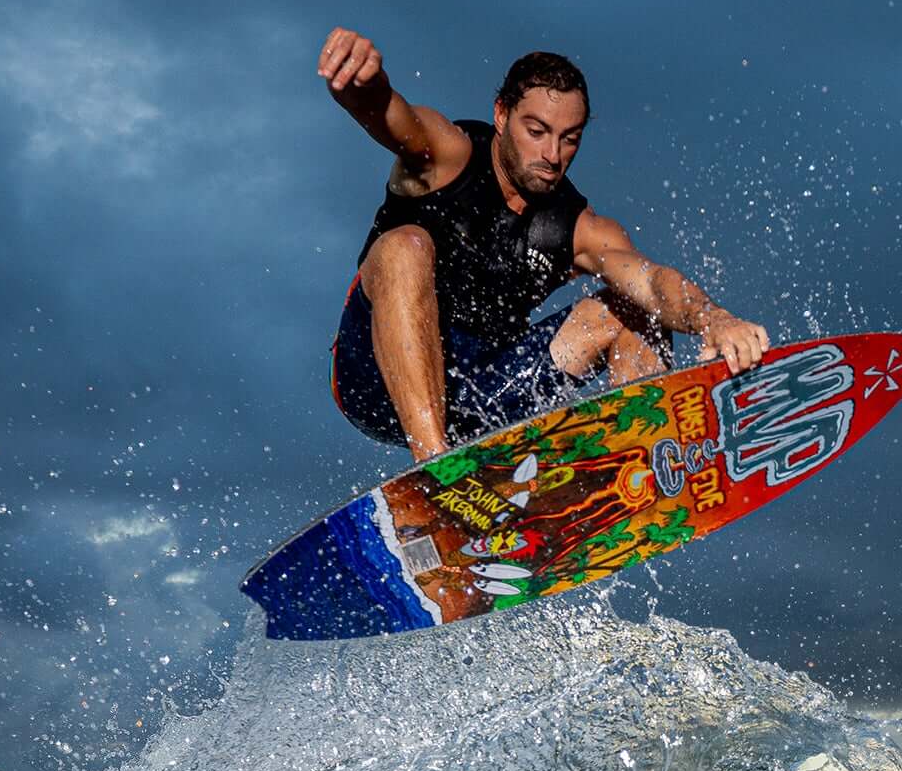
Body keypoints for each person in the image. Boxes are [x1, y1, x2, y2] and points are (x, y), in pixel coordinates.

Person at [317, 28, 771, 462]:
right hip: (374, 378)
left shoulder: (577, 228)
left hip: (481, 392)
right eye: (536, 131)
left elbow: (652, 284)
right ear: (501, 115)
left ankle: (639, 464)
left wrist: (714, 319)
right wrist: (359, 84)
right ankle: (437, 473)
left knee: (633, 307)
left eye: (568, 139)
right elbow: (389, 114)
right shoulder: (447, 155)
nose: (552, 156)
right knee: (406, 245)